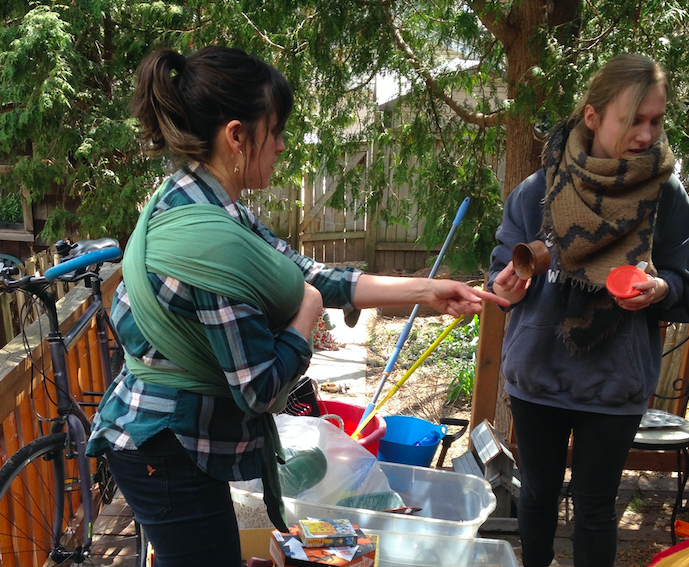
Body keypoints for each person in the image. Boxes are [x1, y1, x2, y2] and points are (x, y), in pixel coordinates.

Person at [86, 45, 510, 567]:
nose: (283, 145)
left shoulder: (195, 198)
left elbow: (302, 273)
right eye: (276, 131)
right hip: (168, 449)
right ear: (237, 136)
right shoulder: (211, 243)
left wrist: (425, 291)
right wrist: (307, 313)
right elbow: (261, 389)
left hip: (169, 442)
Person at [488, 53, 689, 567]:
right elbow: (499, 272)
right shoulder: (538, 192)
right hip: (538, 376)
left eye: (655, 121)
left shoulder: (665, 198)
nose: (647, 135)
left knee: (596, 509)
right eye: (632, 121)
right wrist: (508, 286)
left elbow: (685, 280)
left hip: (613, 384)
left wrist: (661, 289)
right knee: (535, 496)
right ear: (593, 118)